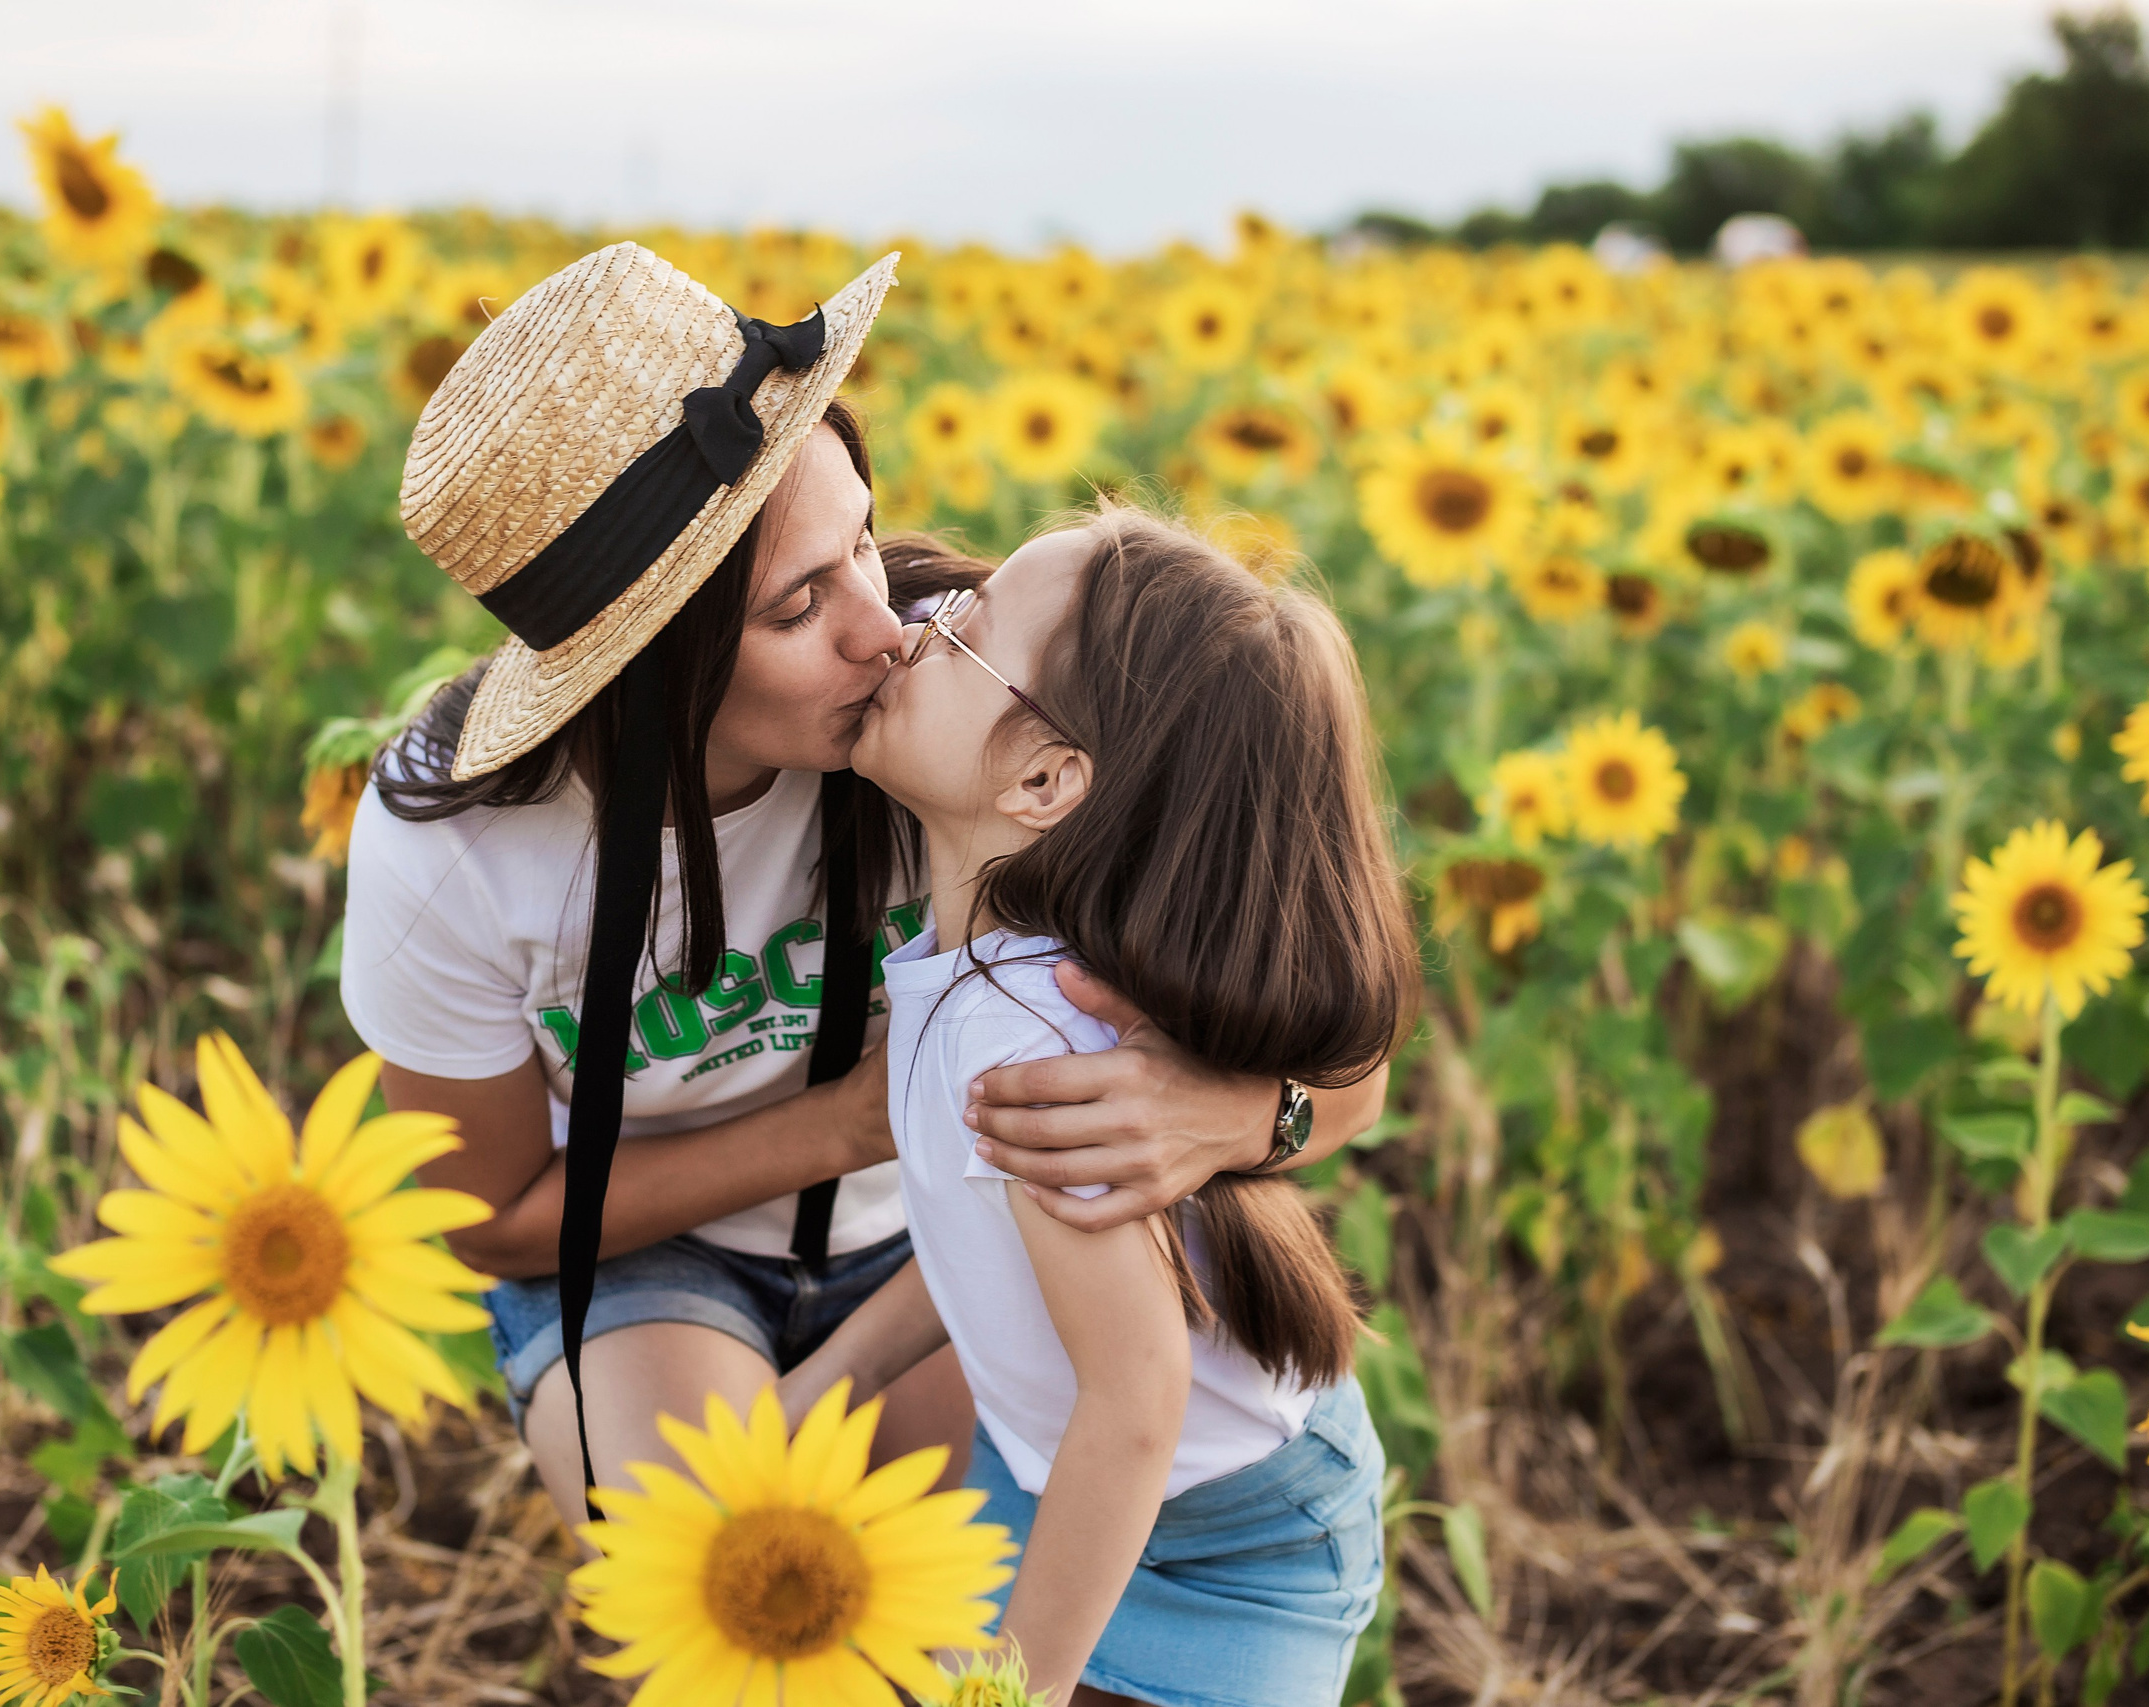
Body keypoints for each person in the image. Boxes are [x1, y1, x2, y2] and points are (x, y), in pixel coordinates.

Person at [339, 241, 1389, 1532]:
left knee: (917, 1611)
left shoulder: (987, 701)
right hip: (642, 1258)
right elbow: (495, 1217)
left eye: (865, 542)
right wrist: (851, 1120)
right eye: (799, 606)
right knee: (729, 1573)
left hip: (955, 1241)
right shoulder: (459, 843)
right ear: (639, 672)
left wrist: (1230, 1118)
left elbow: (1338, 1064)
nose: (885, 627)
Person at [782, 507, 1418, 1707]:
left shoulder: (1021, 1029)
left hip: (1237, 1534)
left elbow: (1137, 1401)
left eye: (963, 633)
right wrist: (834, 1375)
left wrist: (1005, 1690)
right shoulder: (978, 968)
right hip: (1056, 1466)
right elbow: (995, 1250)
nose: (915, 630)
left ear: (1043, 779)